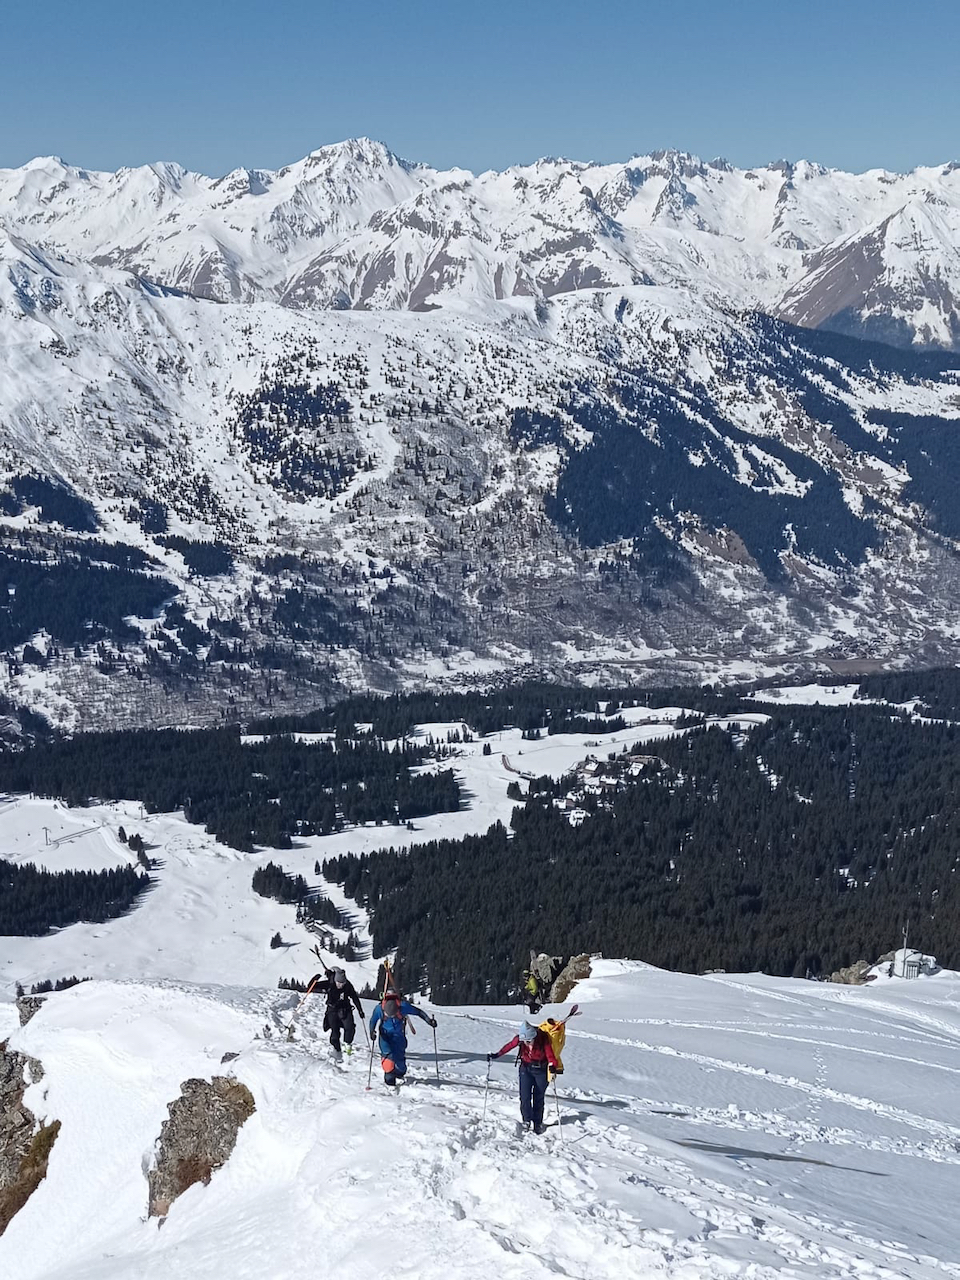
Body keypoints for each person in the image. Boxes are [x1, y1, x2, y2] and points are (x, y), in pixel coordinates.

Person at [488, 1019, 561, 1134]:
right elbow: (509, 1046)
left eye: (529, 1040)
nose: (527, 1043)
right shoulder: (520, 1039)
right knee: (525, 1096)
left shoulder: (543, 1039)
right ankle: (526, 1120)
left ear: (534, 1036)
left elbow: (550, 1055)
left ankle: (537, 1123)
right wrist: (496, 1055)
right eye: (524, 1041)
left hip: (541, 1070)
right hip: (525, 1069)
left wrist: (552, 1065)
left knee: (538, 1097)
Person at [369, 987, 436, 1086]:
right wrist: (372, 1032)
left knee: (400, 1061)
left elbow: (418, 1012)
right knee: (388, 1058)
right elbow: (373, 1021)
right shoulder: (379, 1009)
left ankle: (400, 1074)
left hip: (399, 1037)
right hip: (385, 1036)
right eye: (388, 1015)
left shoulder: (403, 1007)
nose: (391, 1017)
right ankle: (389, 1082)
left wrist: (429, 1021)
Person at [308, 967, 364, 1056]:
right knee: (335, 1032)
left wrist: (360, 1010)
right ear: (335, 980)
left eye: (343, 983)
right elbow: (311, 987)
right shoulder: (329, 983)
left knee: (350, 1028)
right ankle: (337, 1051)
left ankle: (347, 1045)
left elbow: (354, 997)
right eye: (339, 983)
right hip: (332, 1010)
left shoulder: (348, 985)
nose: (341, 985)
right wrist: (315, 979)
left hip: (345, 1009)